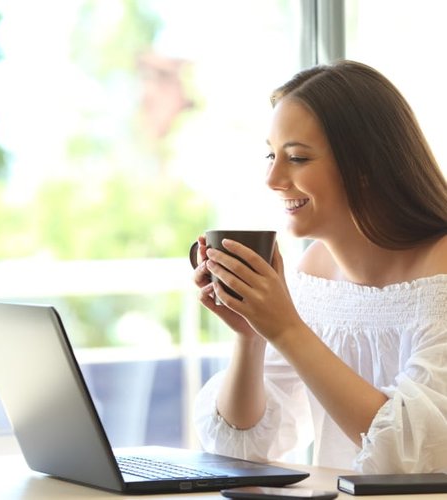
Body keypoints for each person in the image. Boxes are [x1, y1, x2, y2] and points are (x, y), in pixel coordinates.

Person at [191, 60, 447, 473]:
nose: (273, 178)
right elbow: (240, 448)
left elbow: (415, 454)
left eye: (296, 158)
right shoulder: (314, 272)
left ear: (363, 167)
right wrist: (251, 335)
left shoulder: (442, 274)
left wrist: (286, 328)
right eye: (272, 155)